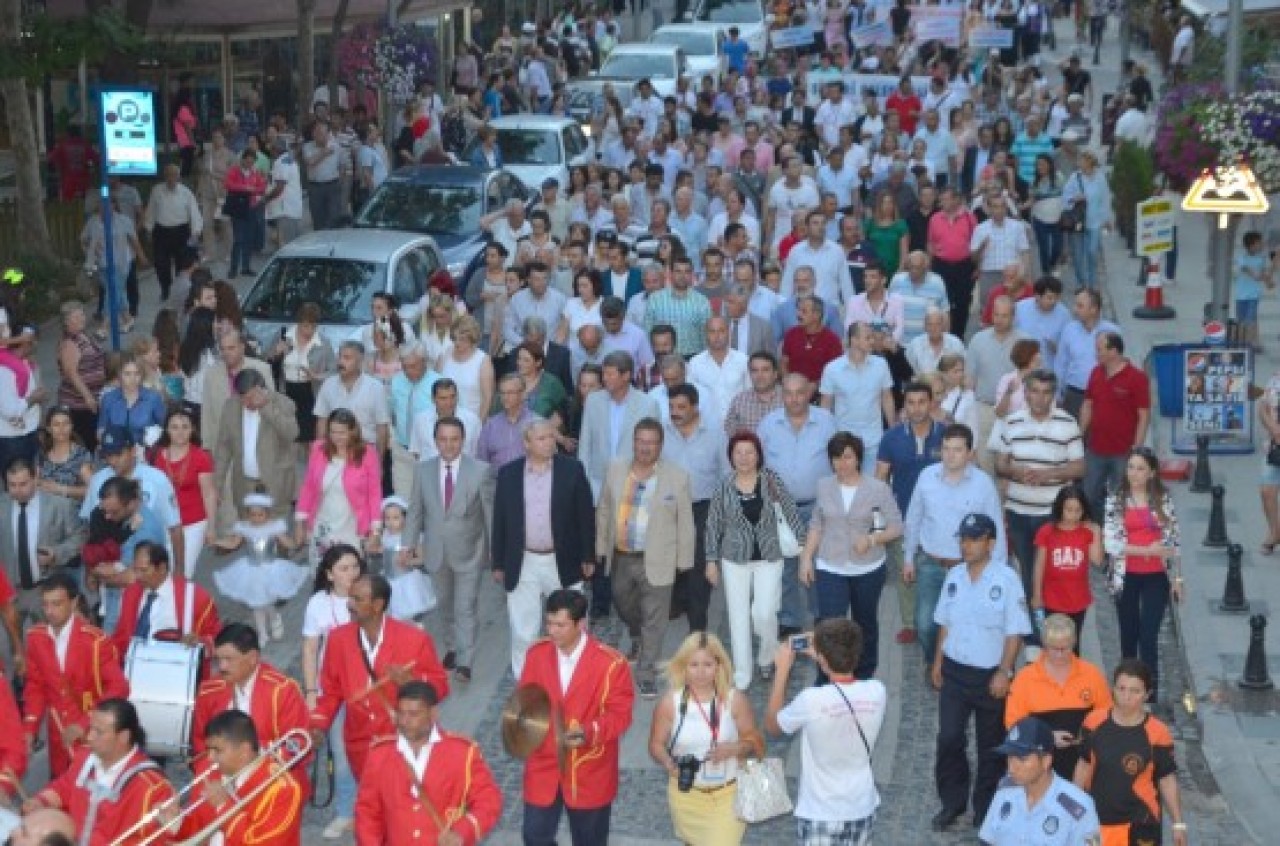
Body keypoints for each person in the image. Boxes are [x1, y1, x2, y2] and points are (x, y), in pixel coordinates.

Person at [931, 512, 1033, 832]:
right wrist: (937, 662)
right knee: (949, 738)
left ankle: (985, 808)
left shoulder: (1006, 580)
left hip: (990, 674)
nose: (967, 545)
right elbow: (945, 623)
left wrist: (1004, 671)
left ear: (990, 543)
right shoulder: (954, 577)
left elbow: (1014, 631)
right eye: (963, 539)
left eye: (974, 539)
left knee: (990, 745)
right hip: (955, 671)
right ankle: (952, 802)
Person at [517, 589, 635, 846]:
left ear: (581, 624)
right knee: (534, 836)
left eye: (560, 625)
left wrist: (589, 731)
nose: (552, 631)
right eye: (549, 623)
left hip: (589, 770)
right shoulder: (536, 655)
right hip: (544, 764)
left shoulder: (611, 664)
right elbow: (525, 701)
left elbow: (620, 715)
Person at [309, 573, 450, 780]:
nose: (349, 604)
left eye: (357, 599)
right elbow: (331, 692)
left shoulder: (414, 640)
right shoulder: (339, 640)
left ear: (377, 605)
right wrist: (317, 724)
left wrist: (411, 684)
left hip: (403, 744)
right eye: (350, 597)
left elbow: (441, 686)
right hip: (361, 749)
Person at [596, 419, 695, 698]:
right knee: (623, 603)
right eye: (641, 441)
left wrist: (684, 561)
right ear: (633, 442)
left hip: (659, 558)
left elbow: (685, 521)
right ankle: (637, 636)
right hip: (622, 556)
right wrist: (600, 547)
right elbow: (604, 508)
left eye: (652, 442)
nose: (645, 447)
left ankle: (647, 672)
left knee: (656, 617)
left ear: (661, 446)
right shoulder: (616, 469)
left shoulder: (677, 477)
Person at [766, 618, 886, 846]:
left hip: (821, 811)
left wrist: (782, 671)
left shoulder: (811, 701)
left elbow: (773, 725)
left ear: (821, 659)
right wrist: (826, 657)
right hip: (862, 805)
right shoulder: (877, 692)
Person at [491, 420, 596, 675]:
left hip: (562, 561)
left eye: (552, 437)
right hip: (523, 561)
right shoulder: (509, 474)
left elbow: (585, 516)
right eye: (541, 438)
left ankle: (571, 677)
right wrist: (498, 562)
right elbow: (500, 519)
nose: (549, 442)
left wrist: (588, 555)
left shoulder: (572, 470)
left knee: (570, 625)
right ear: (526, 443)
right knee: (522, 629)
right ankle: (526, 684)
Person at [706, 431, 807, 690]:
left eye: (749, 452)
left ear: (758, 455)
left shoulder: (771, 481)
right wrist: (710, 560)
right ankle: (742, 674)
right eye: (738, 452)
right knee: (737, 617)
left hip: (769, 556)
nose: (744, 458)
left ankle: (766, 655)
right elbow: (713, 525)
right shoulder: (723, 486)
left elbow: (790, 511)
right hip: (734, 559)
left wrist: (804, 545)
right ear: (731, 456)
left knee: (764, 612)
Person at [800, 432, 903, 680]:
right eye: (836, 458)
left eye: (846, 457)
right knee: (828, 627)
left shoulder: (878, 489)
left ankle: (864, 677)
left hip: (867, 568)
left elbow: (896, 526)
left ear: (858, 458)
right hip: (830, 565)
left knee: (864, 624)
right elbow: (817, 523)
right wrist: (806, 558)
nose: (841, 464)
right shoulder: (824, 486)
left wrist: (871, 539)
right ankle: (825, 679)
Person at [902, 424, 1006, 663]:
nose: (950, 454)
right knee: (925, 623)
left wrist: (996, 570)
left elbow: (996, 529)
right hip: (931, 563)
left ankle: (951, 668)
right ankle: (934, 662)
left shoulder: (983, 483)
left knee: (966, 623)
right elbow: (914, 518)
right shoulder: (926, 476)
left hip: (969, 567)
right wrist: (908, 558)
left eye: (957, 450)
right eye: (946, 448)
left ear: (970, 453)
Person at [648, 632, 763, 846]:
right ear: (684, 666)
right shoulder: (670, 703)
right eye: (694, 665)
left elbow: (755, 741)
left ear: (719, 666)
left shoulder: (735, 700)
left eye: (707, 664)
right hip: (686, 795)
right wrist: (667, 762)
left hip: (728, 795)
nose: (700, 672)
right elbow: (655, 743)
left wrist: (736, 749)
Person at [354, 680, 503, 845]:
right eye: (401, 713)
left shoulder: (462, 753)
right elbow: (367, 811)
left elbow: (489, 801)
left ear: (433, 714)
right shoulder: (379, 755)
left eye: (414, 714)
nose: (404, 721)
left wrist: (462, 832)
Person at [402, 416, 494, 684]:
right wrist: (407, 545)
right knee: (445, 604)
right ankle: (452, 645)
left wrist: (494, 552)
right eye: (443, 439)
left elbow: (490, 514)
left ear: (463, 441)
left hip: (470, 552)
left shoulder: (480, 471)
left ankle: (465, 662)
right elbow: (416, 511)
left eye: (454, 439)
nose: (449, 445)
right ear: (435, 441)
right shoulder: (423, 470)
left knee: (465, 607)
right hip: (436, 551)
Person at [989, 369, 1085, 607]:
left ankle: (1054, 626)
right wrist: (1015, 471)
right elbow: (1000, 463)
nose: (1039, 398)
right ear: (1026, 393)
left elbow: (1079, 468)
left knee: (1052, 572)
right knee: (1027, 571)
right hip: (1018, 512)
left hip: (1052, 514)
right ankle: (1033, 631)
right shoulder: (1011, 422)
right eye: (1034, 391)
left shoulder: (1067, 423)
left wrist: (1048, 475)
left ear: (1053, 395)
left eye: (1045, 393)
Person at [22, 699, 176, 844]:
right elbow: (65, 787)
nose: (89, 737)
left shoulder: (152, 787)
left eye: (98, 732)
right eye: (90, 729)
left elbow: (155, 840)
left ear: (123, 736)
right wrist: (41, 801)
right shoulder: (85, 757)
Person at [21, 573, 129, 778]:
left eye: (57, 604)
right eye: (45, 605)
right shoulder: (36, 638)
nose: (50, 611)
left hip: (93, 735)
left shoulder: (96, 642)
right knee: (61, 790)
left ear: (74, 602)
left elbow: (119, 687)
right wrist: (30, 727)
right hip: (58, 737)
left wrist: (84, 723)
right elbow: (35, 687)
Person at [1075, 659, 1188, 846]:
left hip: (1140, 823)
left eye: (1135, 691)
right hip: (1096, 821)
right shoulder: (1093, 722)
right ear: (1113, 689)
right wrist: (1073, 808)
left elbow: (1166, 779)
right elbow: (1084, 764)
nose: (1126, 696)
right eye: (1121, 688)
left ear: (1147, 694)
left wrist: (1178, 824)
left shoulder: (1158, 732)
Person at [759, 374, 838, 640]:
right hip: (781, 508)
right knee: (785, 565)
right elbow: (758, 463)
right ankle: (790, 619)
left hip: (818, 506)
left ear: (809, 393)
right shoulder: (769, 424)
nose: (794, 399)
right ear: (783, 396)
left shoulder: (827, 422)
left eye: (799, 393)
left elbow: (839, 458)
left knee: (817, 562)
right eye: (789, 394)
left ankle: (819, 616)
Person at [189, 623, 309, 793]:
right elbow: (200, 743)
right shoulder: (209, 690)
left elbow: (297, 745)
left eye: (229, 659)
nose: (222, 667)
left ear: (253, 658)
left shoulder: (283, 691)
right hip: (220, 781)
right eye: (218, 659)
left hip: (273, 784)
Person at [1103, 448, 1181, 703]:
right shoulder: (1116, 499)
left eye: (1140, 468)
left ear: (1151, 473)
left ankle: (1149, 693)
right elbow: (1111, 543)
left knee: (1149, 636)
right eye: (1130, 467)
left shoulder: (1163, 498)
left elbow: (1173, 541)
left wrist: (1177, 578)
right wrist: (1145, 550)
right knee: (1129, 634)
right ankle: (1125, 691)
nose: (1133, 474)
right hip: (1126, 576)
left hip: (1156, 576)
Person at [301, 545, 365, 838]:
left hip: (366, 688)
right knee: (339, 751)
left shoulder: (369, 596)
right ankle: (345, 811)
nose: (351, 573)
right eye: (344, 568)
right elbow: (310, 648)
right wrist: (311, 690)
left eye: (354, 567)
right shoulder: (317, 604)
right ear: (329, 574)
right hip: (333, 690)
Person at [1004, 614, 1112, 780]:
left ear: (1074, 644)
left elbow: (1106, 717)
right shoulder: (1025, 679)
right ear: (1044, 646)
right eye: (1054, 649)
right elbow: (1014, 725)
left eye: (1066, 648)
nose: (1060, 654)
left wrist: (1086, 736)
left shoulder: (1092, 675)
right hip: (1040, 770)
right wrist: (1048, 737)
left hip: (1084, 766)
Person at [177, 709, 305, 846]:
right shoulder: (210, 773)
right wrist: (177, 823)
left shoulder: (283, 789)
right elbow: (199, 829)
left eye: (217, 750)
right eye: (208, 750)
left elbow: (263, 842)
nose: (210, 757)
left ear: (244, 751)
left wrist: (223, 806)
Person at [979, 716, 1102, 846]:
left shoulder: (1079, 807)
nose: (1011, 767)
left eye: (1022, 759)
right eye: (1010, 757)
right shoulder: (1005, 791)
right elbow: (987, 840)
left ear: (1046, 761)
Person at [213, 368, 300, 536]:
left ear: (262, 389)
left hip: (276, 484)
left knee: (278, 539)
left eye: (250, 397)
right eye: (242, 398)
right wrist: (217, 483)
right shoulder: (231, 406)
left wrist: (265, 407)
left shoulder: (283, 403)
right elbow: (224, 447)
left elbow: (292, 433)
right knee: (250, 538)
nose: (246, 403)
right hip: (245, 486)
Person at [0, 458, 85, 628]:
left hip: (46, 589)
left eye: (23, 484)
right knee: (9, 649)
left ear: (36, 476)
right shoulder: (2, 505)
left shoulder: (59, 505)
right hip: (9, 590)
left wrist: (57, 553)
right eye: (12, 485)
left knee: (50, 643)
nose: (17, 491)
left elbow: (80, 537)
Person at [212, 492, 308, 642]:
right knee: (257, 602)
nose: (256, 519)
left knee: (267, 601)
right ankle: (262, 633)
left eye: (260, 515)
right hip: (251, 569)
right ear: (248, 515)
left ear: (267, 514)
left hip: (271, 569)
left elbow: (288, 543)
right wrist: (217, 541)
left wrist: (297, 541)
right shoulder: (244, 528)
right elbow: (233, 543)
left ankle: (274, 616)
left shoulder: (274, 528)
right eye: (253, 515)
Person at [295, 408, 383, 563]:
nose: (336, 437)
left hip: (352, 525)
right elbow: (308, 486)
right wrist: (300, 522)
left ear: (353, 431)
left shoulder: (367, 453)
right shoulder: (318, 448)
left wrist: (375, 531)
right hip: (322, 522)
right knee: (322, 571)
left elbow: (374, 493)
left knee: (349, 572)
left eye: (342, 432)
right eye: (332, 432)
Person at [111, 540, 221, 659]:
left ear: (162, 568)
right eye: (135, 570)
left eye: (144, 570)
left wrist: (199, 642)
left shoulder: (195, 597)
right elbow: (121, 638)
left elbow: (217, 639)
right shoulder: (131, 594)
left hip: (176, 667)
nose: (138, 576)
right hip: (135, 667)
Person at [1080, 333, 1149, 518]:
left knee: (1120, 498)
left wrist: (1137, 447)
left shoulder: (1137, 378)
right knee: (1088, 495)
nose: (1097, 353)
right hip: (1095, 449)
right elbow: (1088, 405)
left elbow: (1143, 414)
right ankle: (1095, 530)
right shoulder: (1095, 373)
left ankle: (1116, 536)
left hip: (1123, 451)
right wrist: (1079, 434)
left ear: (1114, 351)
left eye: (1100, 349)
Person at [150, 408, 216, 580]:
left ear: (192, 429)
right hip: (165, 522)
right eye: (175, 427)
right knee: (163, 571)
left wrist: (211, 527)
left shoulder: (201, 457)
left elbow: (209, 494)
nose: (180, 432)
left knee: (183, 572)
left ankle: (181, 604)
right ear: (167, 430)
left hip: (193, 523)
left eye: (185, 427)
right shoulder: (157, 456)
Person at [1031, 486, 1102, 640]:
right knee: (1053, 641)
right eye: (1069, 510)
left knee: (1073, 643)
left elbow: (1097, 560)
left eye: (1078, 510)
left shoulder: (1087, 532)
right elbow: (1039, 565)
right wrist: (1037, 594)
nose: (1073, 515)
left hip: (1078, 599)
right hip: (1052, 599)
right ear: (1060, 508)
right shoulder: (1047, 531)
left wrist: (1096, 532)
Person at [313, 341, 391, 458]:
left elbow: (382, 428)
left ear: (360, 362)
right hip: (335, 451)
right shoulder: (328, 385)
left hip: (365, 451)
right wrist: (320, 456)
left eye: (347, 358)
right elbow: (322, 422)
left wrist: (379, 462)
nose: (341, 362)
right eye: (339, 357)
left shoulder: (375, 388)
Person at [1054, 289, 1119, 420]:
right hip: (1075, 394)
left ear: (1094, 309)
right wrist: (1057, 395)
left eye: (1080, 306)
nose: (1075, 310)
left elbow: (1118, 364)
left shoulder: (1112, 331)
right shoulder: (1069, 330)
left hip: (1103, 394)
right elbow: (1061, 364)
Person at [143, 163, 203, 304]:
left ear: (179, 177)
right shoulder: (157, 191)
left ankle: (179, 290)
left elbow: (194, 213)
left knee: (182, 264)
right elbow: (151, 211)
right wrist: (148, 228)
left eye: (174, 175)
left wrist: (196, 232)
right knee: (160, 263)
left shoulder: (186, 193)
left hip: (181, 231)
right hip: (162, 232)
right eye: (169, 175)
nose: (171, 178)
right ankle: (165, 288)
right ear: (165, 176)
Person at [55, 302, 107, 452]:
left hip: (91, 399)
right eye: (76, 317)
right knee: (86, 443)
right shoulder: (69, 343)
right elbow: (71, 373)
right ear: (66, 322)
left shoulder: (82, 336)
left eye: (82, 314)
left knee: (93, 441)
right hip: (79, 404)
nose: (81, 319)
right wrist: (88, 397)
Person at [1060, 150, 1112, 289]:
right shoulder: (1075, 177)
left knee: (1092, 251)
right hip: (1078, 221)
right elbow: (1065, 197)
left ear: (1090, 162)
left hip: (1094, 221)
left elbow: (1105, 198)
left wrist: (1107, 218)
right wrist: (1075, 198)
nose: (1080, 163)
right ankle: (1081, 282)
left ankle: (1092, 281)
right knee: (1077, 253)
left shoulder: (1100, 178)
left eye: (1082, 160)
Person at [36, 405, 94, 504]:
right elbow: (34, 481)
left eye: (65, 424)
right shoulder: (42, 454)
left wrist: (61, 489)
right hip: (46, 508)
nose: (61, 428)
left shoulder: (81, 455)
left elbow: (93, 489)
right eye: (56, 424)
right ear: (49, 429)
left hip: (70, 510)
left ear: (72, 426)